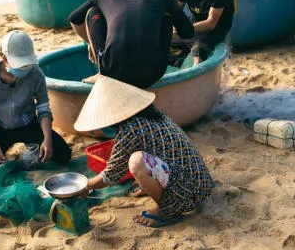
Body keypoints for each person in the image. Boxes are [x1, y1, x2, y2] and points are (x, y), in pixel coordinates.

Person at [74, 76, 214, 228]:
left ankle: (167, 211)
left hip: (186, 191)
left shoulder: (131, 129)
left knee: (137, 162)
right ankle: (157, 189)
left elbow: (112, 174)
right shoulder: (150, 113)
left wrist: (86, 185)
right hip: (200, 182)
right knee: (140, 162)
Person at [68, 0, 195, 89]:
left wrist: (91, 43)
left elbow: (74, 18)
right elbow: (188, 33)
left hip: (112, 72)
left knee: (93, 12)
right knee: (166, 16)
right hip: (153, 73)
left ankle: (101, 72)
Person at [0, 30, 72, 178]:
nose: (22, 70)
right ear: (3, 56)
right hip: (0, 126)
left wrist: (47, 139)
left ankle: (33, 145)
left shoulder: (35, 73)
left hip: (28, 123)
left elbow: (43, 108)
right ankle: (6, 148)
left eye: (25, 65)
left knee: (64, 154)